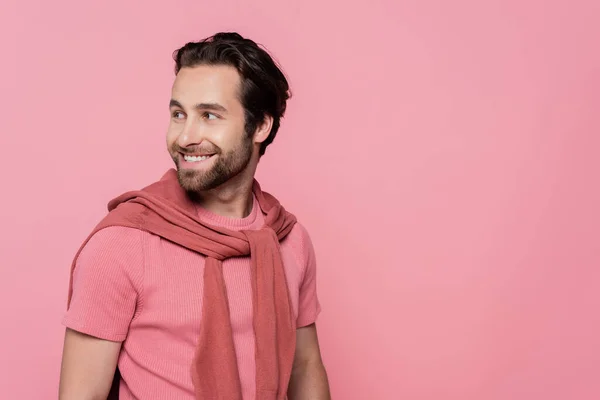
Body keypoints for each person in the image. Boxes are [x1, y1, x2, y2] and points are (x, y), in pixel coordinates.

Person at [58, 32, 330, 400]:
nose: (185, 136)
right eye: (178, 114)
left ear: (261, 126)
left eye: (209, 115)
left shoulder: (288, 239)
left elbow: (305, 366)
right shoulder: (121, 244)